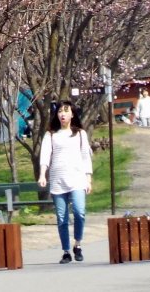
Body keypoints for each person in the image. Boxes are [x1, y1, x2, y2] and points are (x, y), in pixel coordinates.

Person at [38, 103, 93, 264]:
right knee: (62, 218)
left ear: (72, 114)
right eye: (60, 111)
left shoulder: (80, 134)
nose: (62, 114)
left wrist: (88, 179)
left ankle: (78, 244)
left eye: (66, 111)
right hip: (58, 180)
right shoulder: (51, 135)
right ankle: (66, 251)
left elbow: (85, 156)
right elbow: (45, 155)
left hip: (77, 179)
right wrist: (42, 174)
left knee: (79, 212)